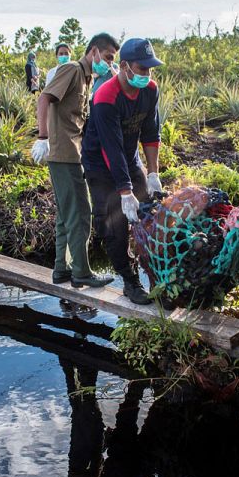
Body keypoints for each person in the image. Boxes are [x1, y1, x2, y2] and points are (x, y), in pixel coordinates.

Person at [80, 38, 166, 305]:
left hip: (128, 159)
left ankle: (156, 273)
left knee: (148, 212)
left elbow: (151, 134)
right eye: (141, 69)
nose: (146, 74)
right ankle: (130, 281)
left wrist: (152, 174)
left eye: (150, 69)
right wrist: (125, 191)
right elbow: (110, 148)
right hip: (100, 164)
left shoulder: (150, 89)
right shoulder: (105, 96)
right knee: (114, 224)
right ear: (125, 66)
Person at [31, 33, 120, 289]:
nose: (109, 63)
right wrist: (43, 137)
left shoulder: (87, 77)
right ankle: (81, 272)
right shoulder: (71, 69)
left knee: (65, 214)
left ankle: (62, 268)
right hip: (63, 154)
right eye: (107, 57)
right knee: (81, 214)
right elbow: (44, 98)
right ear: (93, 52)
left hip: (72, 153)